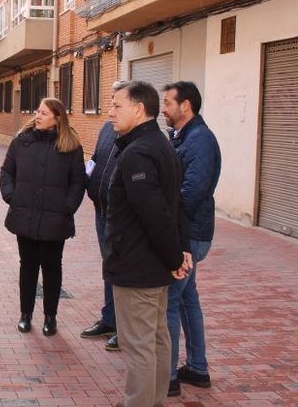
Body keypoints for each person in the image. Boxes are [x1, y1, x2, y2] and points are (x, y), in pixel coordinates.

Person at [103, 80, 192, 407]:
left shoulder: (139, 152)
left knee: (139, 345)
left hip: (138, 265)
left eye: (117, 105)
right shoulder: (159, 144)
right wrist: (179, 252)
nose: (110, 112)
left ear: (139, 109)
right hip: (153, 264)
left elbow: (156, 212)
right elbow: (175, 205)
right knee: (156, 339)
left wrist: (175, 256)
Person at [0, 97, 86, 337]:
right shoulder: (21, 142)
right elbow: (7, 171)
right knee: (27, 267)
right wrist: (12, 196)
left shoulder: (70, 146)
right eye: (38, 111)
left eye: (44, 113)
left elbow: (78, 182)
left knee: (52, 268)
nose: (38, 116)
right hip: (24, 216)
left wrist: (67, 207)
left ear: (57, 118)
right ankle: (25, 315)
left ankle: (51, 317)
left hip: (55, 219)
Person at [162, 81, 221, 397]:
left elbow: (192, 192)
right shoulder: (184, 136)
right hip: (190, 232)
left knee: (171, 299)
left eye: (168, 102)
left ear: (186, 106)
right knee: (187, 297)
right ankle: (197, 368)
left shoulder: (199, 140)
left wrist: (166, 220)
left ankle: (168, 376)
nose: (164, 107)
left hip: (191, 235)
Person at [80, 118, 121, 351]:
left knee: (122, 270)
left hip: (118, 215)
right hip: (101, 209)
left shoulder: (136, 138)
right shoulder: (108, 128)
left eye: (116, 104)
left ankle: (124, 329)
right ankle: (109, 319)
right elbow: (96, 158)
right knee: (109, 267)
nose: (111, 110)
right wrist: (85, 181)